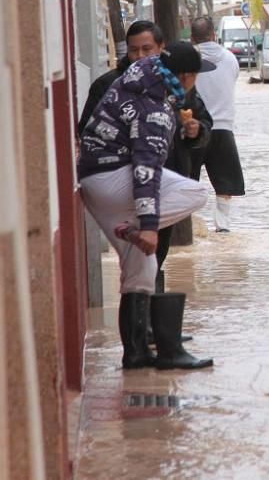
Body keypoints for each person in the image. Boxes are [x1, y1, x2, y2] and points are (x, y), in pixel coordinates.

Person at [78, 41, 215, 370]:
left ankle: (138, 354)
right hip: (116, 178)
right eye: (195, 75)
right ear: (185, 76)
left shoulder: (136, 76)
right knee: (196, 193)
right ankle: (134, 229)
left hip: (93, 180)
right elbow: (146, 169)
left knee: (141, 268)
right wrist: (150, 225)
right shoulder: (155, 108)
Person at [190, 16, 245, 232]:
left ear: (193, 38)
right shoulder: (230, 59)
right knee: (225, 182)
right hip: (223, 129)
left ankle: (189, 226)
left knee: (187, 178)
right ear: (214, 34)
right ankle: (222, 226)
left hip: (193, 128)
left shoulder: (188, 61)